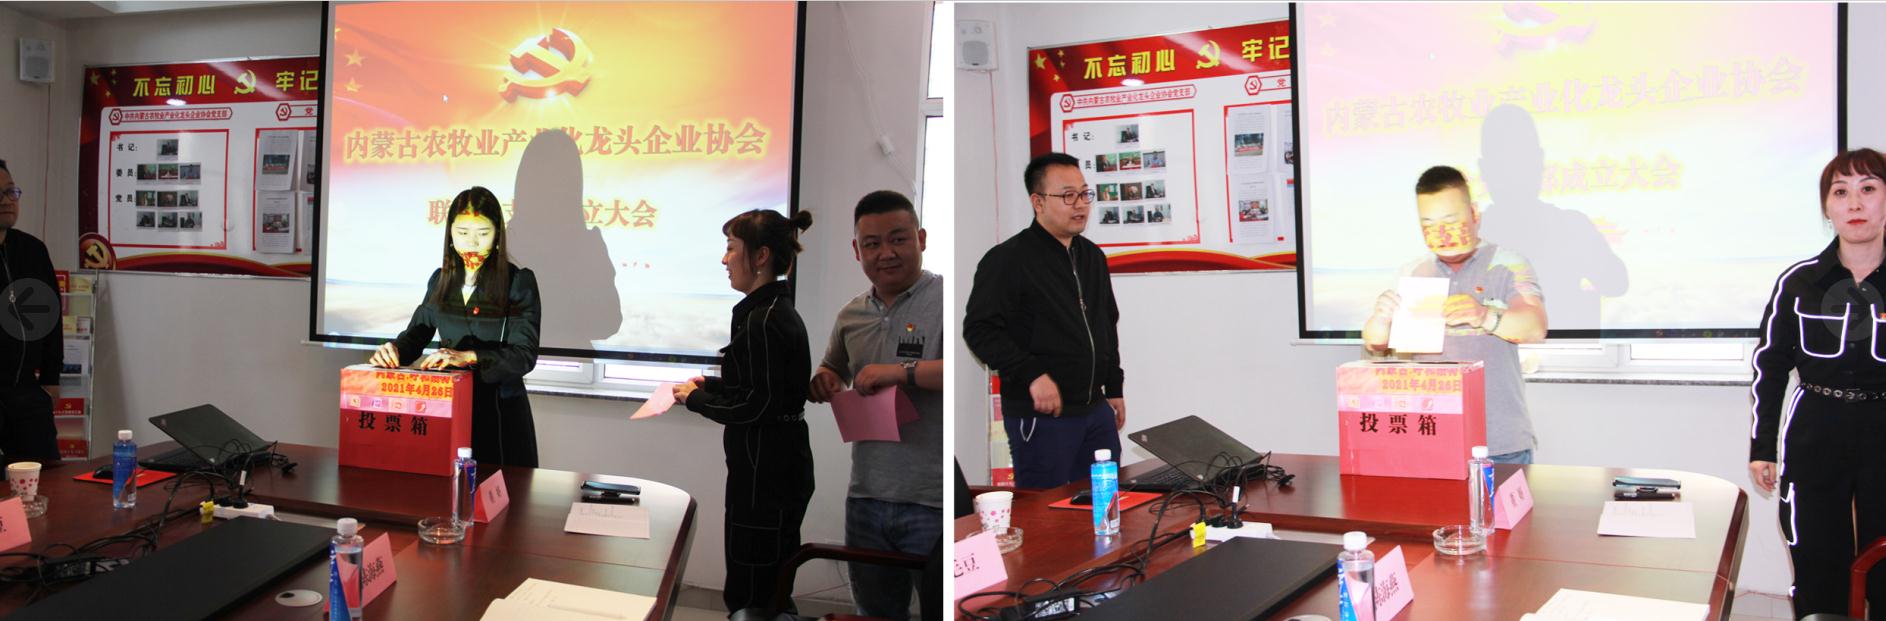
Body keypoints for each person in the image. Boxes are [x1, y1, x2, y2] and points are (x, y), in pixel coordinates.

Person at [1749, 148, 1886, 619]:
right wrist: (1762, 446)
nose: (1855, 203)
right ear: (1827, 208)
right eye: (1840, 192)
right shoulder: (1800, 282)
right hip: (1816, 429)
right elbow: (1770, 365)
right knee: (1817, 560)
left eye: (1868, 189)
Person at [807, 191, 942, 620]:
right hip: (866, 496)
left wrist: (901, 372)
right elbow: (833, 368)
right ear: (856, 250)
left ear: (921, 238)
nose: (886, 253)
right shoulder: (852, 314)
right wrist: (825, 379)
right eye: (872, 244)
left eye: (898, 239)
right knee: (875, 612)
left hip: (933, 500)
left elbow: (963, 372)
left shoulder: (948, 299)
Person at [673, 209, 816, 616]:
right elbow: (761, 388)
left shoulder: (764, 320)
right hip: (775, 465)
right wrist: (711, 386)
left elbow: (758, 405)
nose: (724, 259)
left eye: (731, 248)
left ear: (761, 256)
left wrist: (697, 400)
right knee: (768, 579)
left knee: (752, 588)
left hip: (764, 475)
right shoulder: (768, 312)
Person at [1361, 165, 1547, 464]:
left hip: (1499, 443)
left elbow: (1535, 327)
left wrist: (1484, 315)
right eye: (1428, 224)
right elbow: (1376, 343)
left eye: (1450, 221)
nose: (1442, 234)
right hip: (1431, 437)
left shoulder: (1507, 264)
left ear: (1474, 214)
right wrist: (1380, 320)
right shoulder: (1413, 272)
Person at [964, 152, 1125, 490]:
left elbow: (1106, 323)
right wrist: (1032, 374)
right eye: (1067, 196)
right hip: (1042, 416)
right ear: (1038, 202)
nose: (1080, 205)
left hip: (1095, 411)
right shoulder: (1008, 259)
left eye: (1084, 194)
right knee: (1045, 512)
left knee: (1104, 502)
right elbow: (980, 330)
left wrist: (1114, 387)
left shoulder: (1092, 257)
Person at [368, 186, 542, 467]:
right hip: (448, 407)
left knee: (500, 489)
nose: (472, 243)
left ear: (498, 235)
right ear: (450, 234)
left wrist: (468, 357)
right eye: (462, 232)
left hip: (500, 411)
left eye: (482, 233)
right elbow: (416, 334)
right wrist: (394, 351)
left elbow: (524, 355)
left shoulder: (518, 282)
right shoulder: (440, 280)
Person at [0, 160, 62, 466]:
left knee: (47, 479)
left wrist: (52, 376)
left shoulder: (32, 250)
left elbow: (51, 316)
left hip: (27, 390)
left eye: (11, 191)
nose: (6, 201)